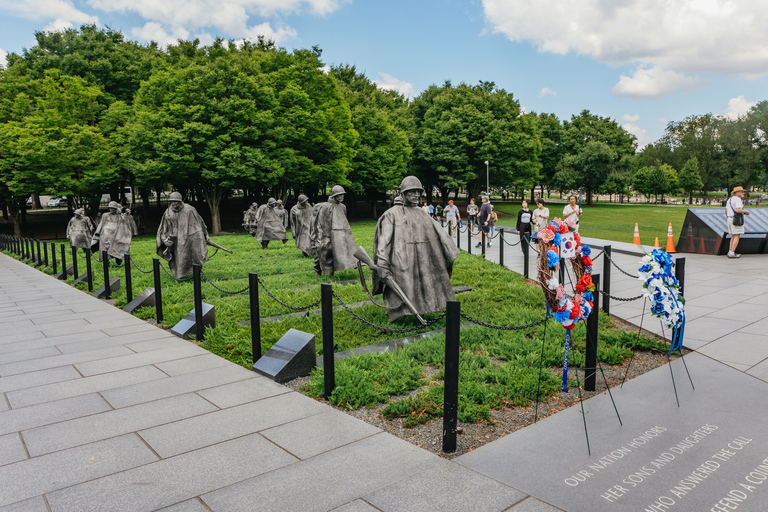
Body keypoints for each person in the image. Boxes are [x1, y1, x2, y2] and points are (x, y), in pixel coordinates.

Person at [372, 176, 460, 321]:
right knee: (404, 285)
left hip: (422, 258)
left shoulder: (421, 213)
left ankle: (425, 308)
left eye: (418, 192)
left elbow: (438, 235)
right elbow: (384, 242)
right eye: (412, 192)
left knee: (423, 286)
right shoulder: (391, 214)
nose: (416, 195)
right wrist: (382, 263)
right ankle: (398, 313)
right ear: (403, 194)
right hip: (401, 259)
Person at [156, 192, 210, 279]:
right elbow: (163, 228)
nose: (173, 204)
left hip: (190, 237)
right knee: (179, 258)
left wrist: (205, 234)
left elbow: (200, 222)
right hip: (176, 239)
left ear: (180, 202)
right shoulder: (168, 212)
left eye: (175, 201)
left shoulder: (190, 210)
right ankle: (180, 275)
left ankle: (196, 273)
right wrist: (165, 239)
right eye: (171, 202)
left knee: (195, 255)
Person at [310, 185, 357, 276]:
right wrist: (320, 236)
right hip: (326, 233)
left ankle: (332, 272)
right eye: (340, 195)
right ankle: (318, 269)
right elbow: (321, 222)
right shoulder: (325, 207)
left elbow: (344, 220)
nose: (342, 196)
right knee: (323, 252)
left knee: (335, 253)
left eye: (343, 195)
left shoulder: (343, 207)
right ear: (334, 195)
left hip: (339, 234)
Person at [726, 186, 750, 258]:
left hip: (730, 218)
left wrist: (729, 217)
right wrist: (745, 212)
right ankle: (732, 252)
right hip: (736, 220)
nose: (743, 193)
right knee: (737, 236)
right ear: (737, 192)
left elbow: (726, 211)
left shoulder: (729, 199)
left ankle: (730, 251)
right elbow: (737, 210)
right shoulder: (738, 199)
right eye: (742, 192)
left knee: (733, 236)